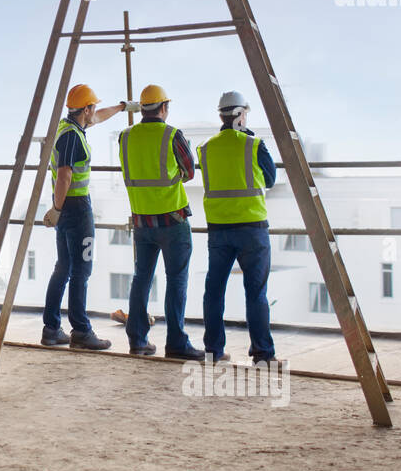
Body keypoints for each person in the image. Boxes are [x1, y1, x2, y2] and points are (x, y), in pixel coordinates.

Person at [116, 85, 203, 359]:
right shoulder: (171, 134)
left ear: (143, 108)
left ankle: (138, 340)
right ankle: (176, 343)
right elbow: (189, 172)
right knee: (176, 280)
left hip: (141, 221)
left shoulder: (125, 136)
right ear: (163, 108)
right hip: (172, 219)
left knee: (141, 278)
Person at [198, 91, 284, 365]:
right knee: (256, 292)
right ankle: (262, 354)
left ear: (221, 115)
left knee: (214, 290)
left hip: (219, 229)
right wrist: (249, 135)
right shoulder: (254, 144)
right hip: (252, 228)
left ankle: (213, 351)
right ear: (241, 115)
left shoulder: (206, 148)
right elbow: (270, 179)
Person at [41, 84, 126, 350]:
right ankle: (81, 330)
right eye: (93, 107)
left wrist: (123, 107)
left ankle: (52, 329)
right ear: (85, 109)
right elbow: (64, 176)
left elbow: (100, 117)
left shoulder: (71, 128)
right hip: (76, 209)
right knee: (81, 269)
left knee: (64, 267)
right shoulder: (72, 137)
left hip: (68, 208)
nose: (96, 112)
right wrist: (56, 209)